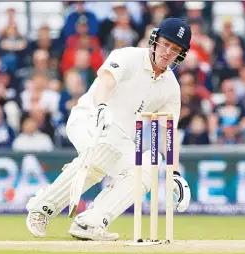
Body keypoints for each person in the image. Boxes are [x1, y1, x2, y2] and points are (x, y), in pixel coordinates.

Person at [26, 17, 192, 241]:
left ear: (180, 54)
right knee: (103, 149)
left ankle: (90, 223)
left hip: (121, 139)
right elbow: (105, 81)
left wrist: (175, 174)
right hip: (88, 118)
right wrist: (102, 107)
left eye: (174, 49)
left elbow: (167, 132)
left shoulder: (171, 87)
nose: (167, 52)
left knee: (147, 169)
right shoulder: (128, 56)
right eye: (165, 43)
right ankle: (41, 209)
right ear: (155, 39)